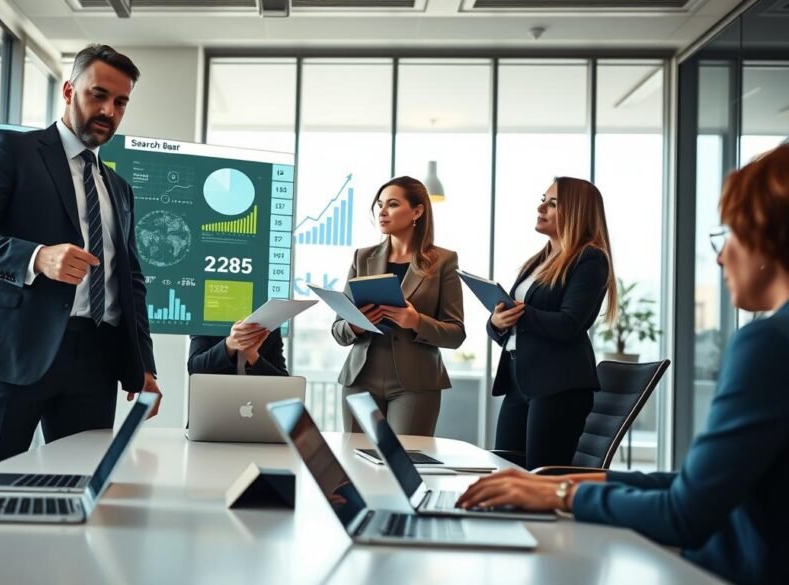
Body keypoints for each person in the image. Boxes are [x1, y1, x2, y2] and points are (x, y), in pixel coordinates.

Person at [458, 144, 789, 585]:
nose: (720, 256)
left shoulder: (768, 344)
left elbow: (685, 512)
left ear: (772, 237)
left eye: (731, 232)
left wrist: (562, 492)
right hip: (523, 380)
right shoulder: (538, 261)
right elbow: (697, 486)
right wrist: (571, 486)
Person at [0, 44, 162, 472]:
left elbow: (129, 280)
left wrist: (144, 365)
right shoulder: (12, 150)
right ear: (68, 90)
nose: (108, 111)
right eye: (97, 95)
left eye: (120, 102)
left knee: (80, 487)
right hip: (15, 350)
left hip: (97, 359)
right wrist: (37, 257)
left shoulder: (119, 188)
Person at [488, 177, 618, 470]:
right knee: (505, 470)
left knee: (541, 477)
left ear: (576, 211)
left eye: (553, 203)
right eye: (543, 199)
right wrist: (497, 321)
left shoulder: (590, 259)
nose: (541, 207)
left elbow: (570, 324)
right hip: (520, 380)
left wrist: (520, 313)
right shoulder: (540, 260)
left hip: (558, 386)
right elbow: (509, 323)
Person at [331, 176, 465, 437]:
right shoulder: (363, 257)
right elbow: (338, 329)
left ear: (417, 211)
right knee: (358, 464)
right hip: (360, 379)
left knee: (405, 467)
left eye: (392, 204)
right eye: (379, 204)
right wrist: (354, 326)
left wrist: (416, 321)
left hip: (415, 384)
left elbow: (456, 333)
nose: (382, 212)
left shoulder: (443, 261)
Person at [187, 320, 288, 376]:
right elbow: (195, 369)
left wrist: (253, 356)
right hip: (216, 405)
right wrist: (228, 345)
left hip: (259, 406)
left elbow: (284, 383)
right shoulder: (206, 322)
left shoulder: (269, 329)